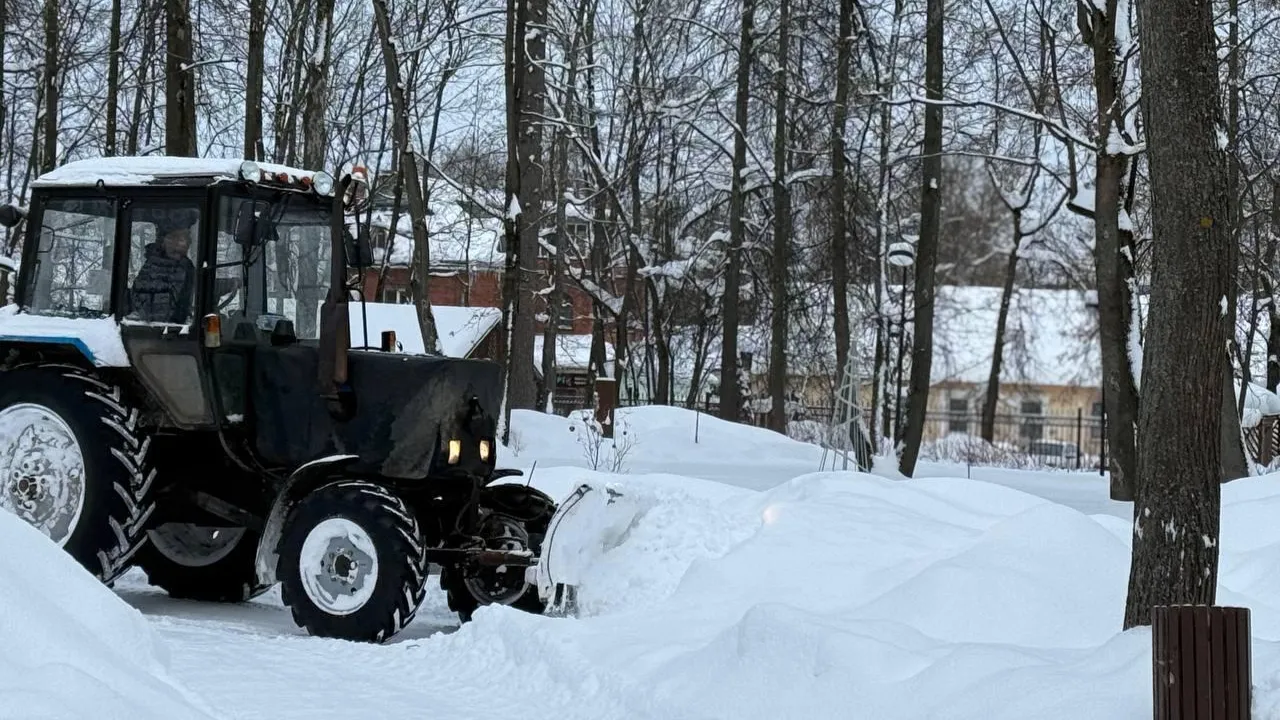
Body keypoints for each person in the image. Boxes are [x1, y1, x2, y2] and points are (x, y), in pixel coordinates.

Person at [129, 220, 239, 324]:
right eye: (175, 238)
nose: (182, 244)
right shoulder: (156, 267)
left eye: (185, 238)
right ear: (163, 241)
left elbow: (199, 284)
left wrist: (228, 284)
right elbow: (156, 313)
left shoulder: (183, 265)